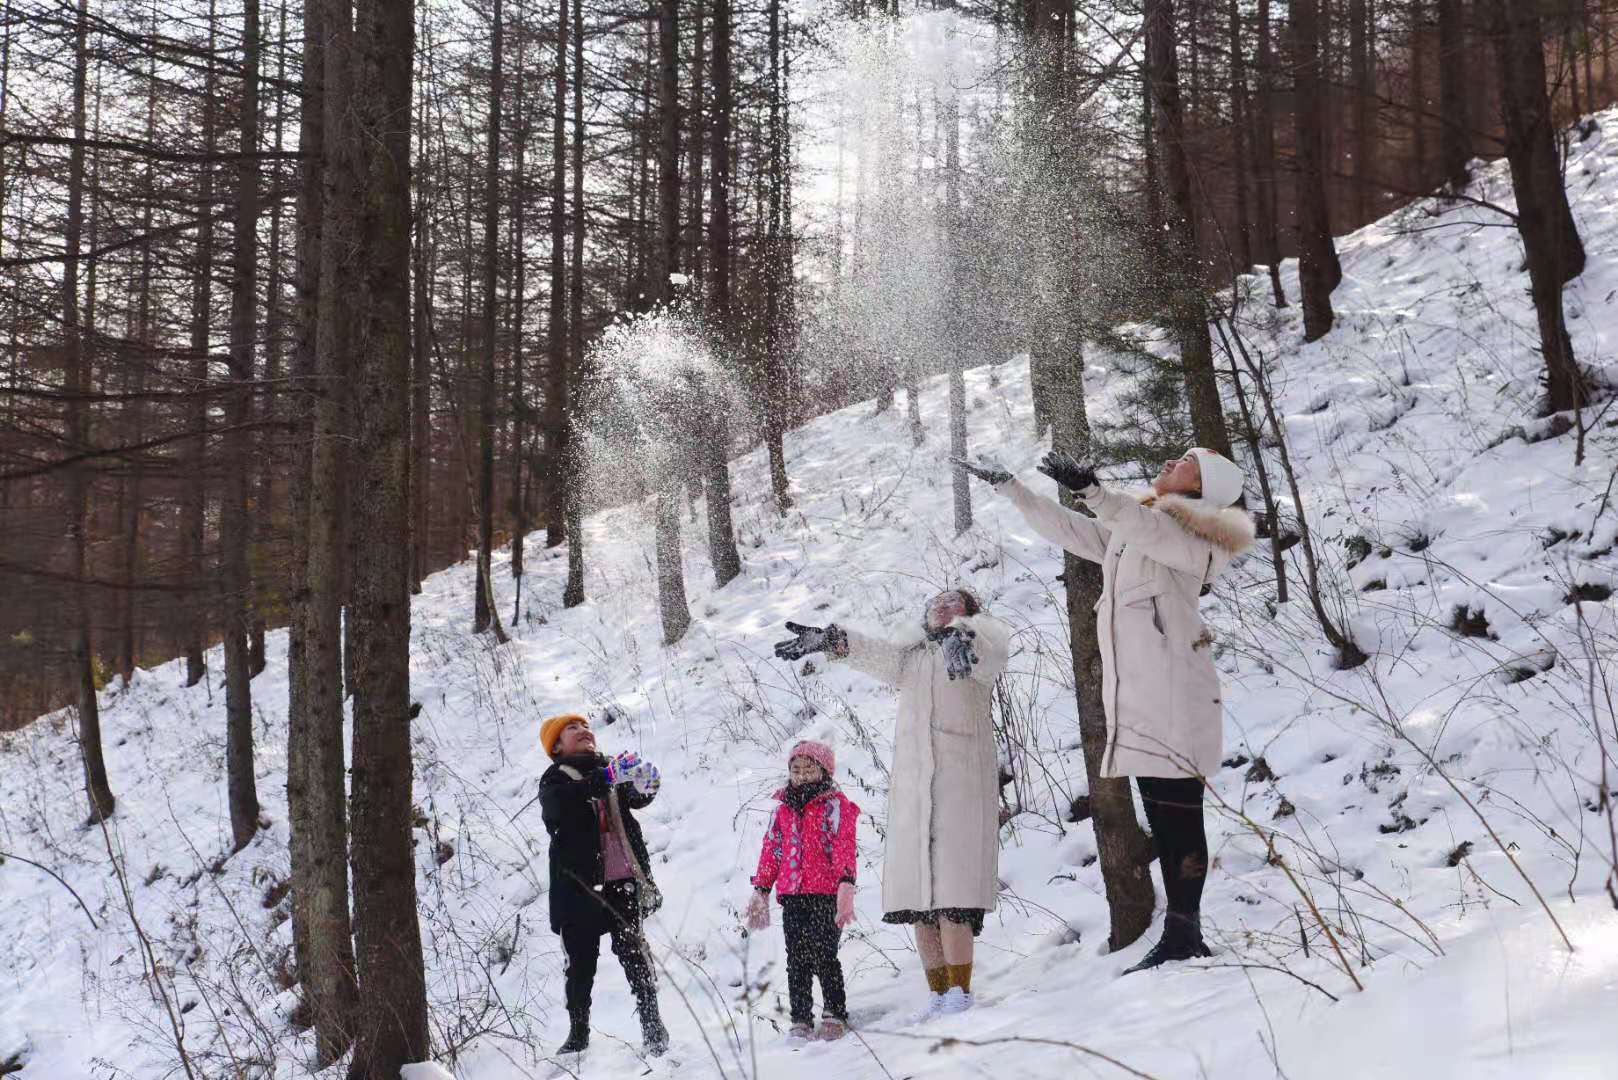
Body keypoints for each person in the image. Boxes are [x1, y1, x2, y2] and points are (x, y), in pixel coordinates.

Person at [956, 446, 1254, 972]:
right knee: (1163, 822)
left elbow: (1146, 530)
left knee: (1181, 820)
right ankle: (1179, 932)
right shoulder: (1140, 529)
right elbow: (1075, 531)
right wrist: (1013, 488)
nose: (1171, 461)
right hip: (1140, 701)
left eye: (1187, 461)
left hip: (1176, 698)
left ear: (1205, 486)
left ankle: (1186, 931)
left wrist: (1095, 492)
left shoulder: (1196, 539)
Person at [774, 589, 1009, 1019]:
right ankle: (938, 993)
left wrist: (969, 637)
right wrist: (833, 641)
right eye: (936, 601)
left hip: (959, 786)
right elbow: (877, 654)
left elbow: (993, 651)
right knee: (919, 901)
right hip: (914, 793)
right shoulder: (914, 659)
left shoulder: (976, 651)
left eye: (953, 601)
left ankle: (960, 991)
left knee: (954, 896)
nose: (941, 605)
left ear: (970, 612)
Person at [538, 712, 669, 1055]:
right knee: (580, 963)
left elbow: (636, 798)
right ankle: (578, 1031)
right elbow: (559, 810)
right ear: (556, 746)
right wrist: (604, 778)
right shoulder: (554, 780)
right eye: (572, 728)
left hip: (620, 878)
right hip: (577, 888)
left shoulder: (611, 768)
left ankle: (653, 1024)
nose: (583, 731)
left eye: (585, 726)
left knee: (634, 952)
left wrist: (646, 783)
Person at [744, 739, 860, 1042]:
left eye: (809, 770)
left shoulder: (836, 806)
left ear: (823, 771)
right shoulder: (782, 810)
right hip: (793, 896)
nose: (802, 775)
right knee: (796, 958)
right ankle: (800, 1018)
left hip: (825, 894)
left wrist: (846, 883)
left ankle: (835, 1011)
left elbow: (844, 846)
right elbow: (772, 851)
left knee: (824, 953)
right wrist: (762, 889)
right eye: (796, 770)